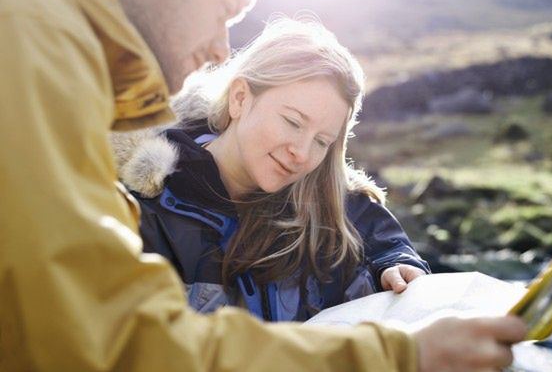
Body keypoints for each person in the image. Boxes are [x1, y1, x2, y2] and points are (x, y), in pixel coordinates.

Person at [0, 0, 527, 371]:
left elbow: (373, 232)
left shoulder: (341, 207)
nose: (218, 49)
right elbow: (109, 337)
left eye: (323, 141)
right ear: (240, 98)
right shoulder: (35, 39)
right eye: (224, 11)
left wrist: (399, 267)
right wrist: (396, 357)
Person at [112, 18, 431, 321]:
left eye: (322, 141)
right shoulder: (137, 211)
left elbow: (378, 241)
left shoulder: (341, 215)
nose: (302, 153)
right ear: (239, 99)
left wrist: (392, 266)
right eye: (293, 122)